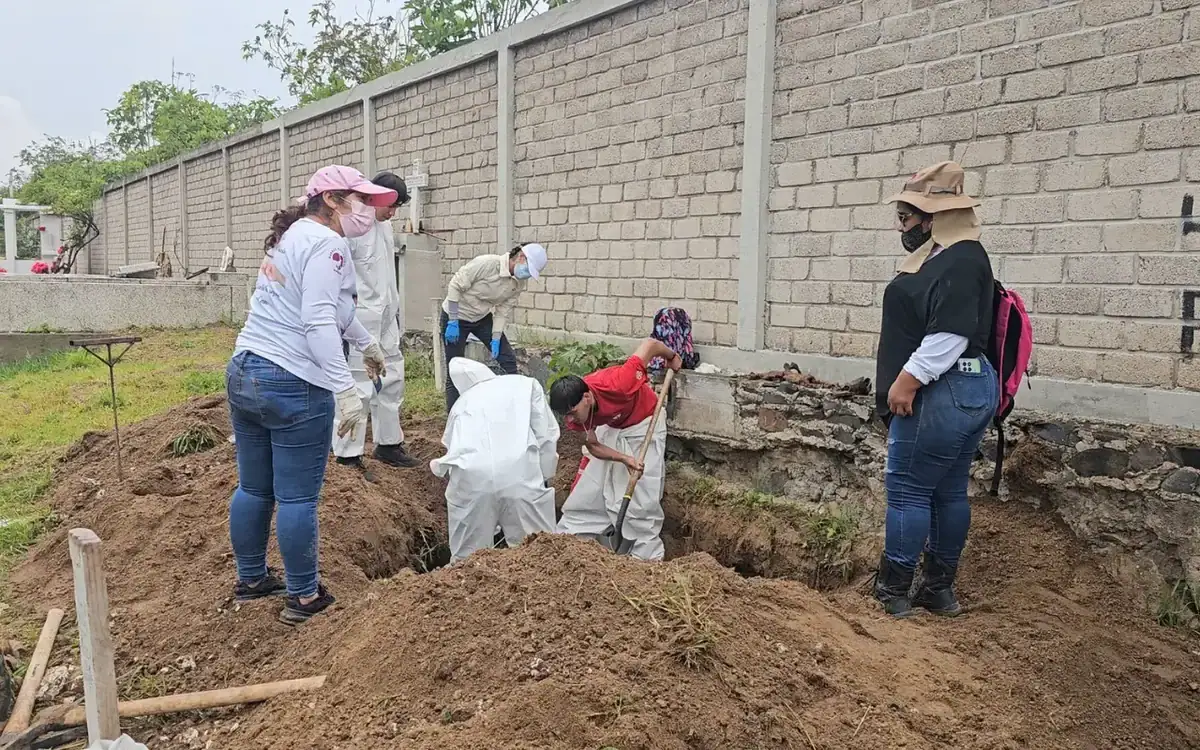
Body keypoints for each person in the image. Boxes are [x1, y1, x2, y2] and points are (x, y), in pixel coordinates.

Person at [224, 164, 399, 625]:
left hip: (245, 370)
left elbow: (334, 309)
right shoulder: (328, 245)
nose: (367, 210)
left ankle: (251, 578)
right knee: (297, 498)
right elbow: (318, 319)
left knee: (253, 487)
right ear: (332, 200)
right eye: (360, 199)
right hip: (292, 381)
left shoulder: (293, 236)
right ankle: (303, 597)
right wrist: (344, 388)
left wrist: (366, 343)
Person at [872, 161, 999, 619]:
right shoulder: (948, 256)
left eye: (905, 217)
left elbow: (950, 333)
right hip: (967, 388)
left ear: (933, 217)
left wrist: (906, 382)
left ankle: (893, 593)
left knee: (908, 490)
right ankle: (938, 591)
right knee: (947, 490)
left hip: (941, 391)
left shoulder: (961, 259)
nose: (901, 227)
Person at [548, 338, 682, 561]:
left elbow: (649, 345)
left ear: (587, 397)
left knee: (641, 496)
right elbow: (593, 446)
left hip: (644, 423)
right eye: (565, 416)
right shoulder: (575, 417)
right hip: (612, 427)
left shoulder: (619, 383)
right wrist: (624, 459)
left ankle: (644, 554)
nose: (569, 420)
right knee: (592, 488)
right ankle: (571, 542)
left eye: (572, 413)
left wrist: (671, 356)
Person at [430, 357, 560, 562]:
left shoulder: (461, 404)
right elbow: (546, 435)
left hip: (472, 481)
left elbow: (451, 446)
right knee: (538, 553)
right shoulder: (525, 385)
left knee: (467, 561)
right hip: (520, 474)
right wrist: (545, 474)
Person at [332, 171, 419, 472]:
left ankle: (389, 444)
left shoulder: (385, 227)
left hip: (386, 318)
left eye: (397, 207)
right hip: (360, 320)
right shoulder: (353, 228)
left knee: (392, 380)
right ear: (375, 197)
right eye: (390, 205)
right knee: (359, 386)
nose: (393, 212)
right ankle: (347, 455)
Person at [440, 243, 548, 410]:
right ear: (520, 257)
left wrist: (496, 338)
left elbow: (502, 311)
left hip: (481, 318)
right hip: (457, 316)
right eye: (528, 269)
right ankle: (453, 419)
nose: (526, 275)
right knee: (455, 369)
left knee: (508, 360)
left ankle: (514, 407)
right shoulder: (487, 264)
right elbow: (455, 285)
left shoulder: (518, 283)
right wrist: (452, 320)